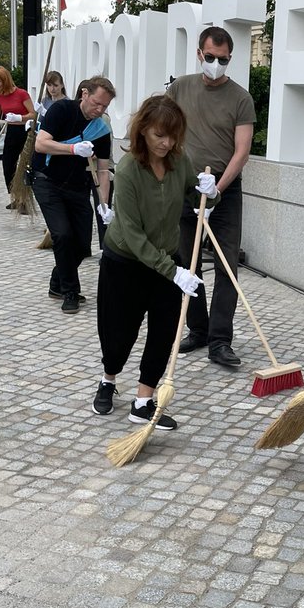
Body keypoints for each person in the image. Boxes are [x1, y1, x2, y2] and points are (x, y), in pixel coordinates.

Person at [92, 94, 218, 430]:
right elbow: (132, 234)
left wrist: (211, 189)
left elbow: (197, 194)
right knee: (119, 331)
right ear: (144, 129)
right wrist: (173, 271)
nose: (167, 142)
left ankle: (143, 401)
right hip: (126, 262)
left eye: (173, 135)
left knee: (164, 332)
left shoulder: (179, 161)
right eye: (160, 135)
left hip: (166, 263)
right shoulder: (131, 168)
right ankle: (108, 379)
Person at [169, 25, 255, 369]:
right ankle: (198, 328)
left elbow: (242, 150)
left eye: (222, 59)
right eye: (210, 57)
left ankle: (221, 340)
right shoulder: (180, 88)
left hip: (225, 188)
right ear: (199, 53)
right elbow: (164, 129)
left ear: (229, 58)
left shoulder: (240, 98)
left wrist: (219, 187)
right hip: (186, 185)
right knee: (187, 260)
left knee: (226, 264)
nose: (215, 63)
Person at [33, 76, 114, 314]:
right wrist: (72, 149)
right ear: (85, 94)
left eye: (105, 106)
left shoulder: (101, 129)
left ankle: (57, 281)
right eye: (97, 103)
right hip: (47, 181)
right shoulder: (61, 110)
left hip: (77, 187)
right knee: (63, 235)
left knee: (81, 244)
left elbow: (102, 169)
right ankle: (70, 292)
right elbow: (41, 144)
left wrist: (104, 204)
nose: (99, 110)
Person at [0, 65, 36, 202]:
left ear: (6, 79)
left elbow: (33, 114)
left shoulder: (21, 94)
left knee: (25, 165)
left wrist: (20, 117)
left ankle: (25, 198)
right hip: (12, 132)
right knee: (8, 165)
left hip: (25, 131)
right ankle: (15, 196)